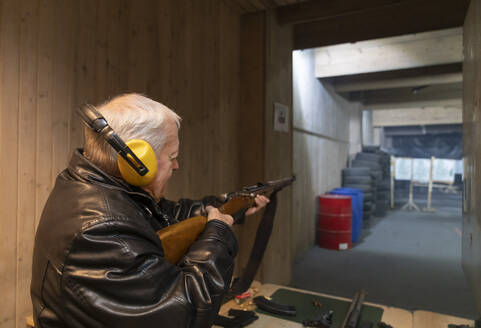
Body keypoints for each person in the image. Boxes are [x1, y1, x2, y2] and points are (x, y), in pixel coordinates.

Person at [31, 94, 269, 328]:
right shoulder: (102, 229)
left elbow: (162, 215)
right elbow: (186, 313)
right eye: (172, 156)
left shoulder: (98, 188)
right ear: (137, 161)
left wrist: (223, 207)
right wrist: (217, 238)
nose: (177, 165)